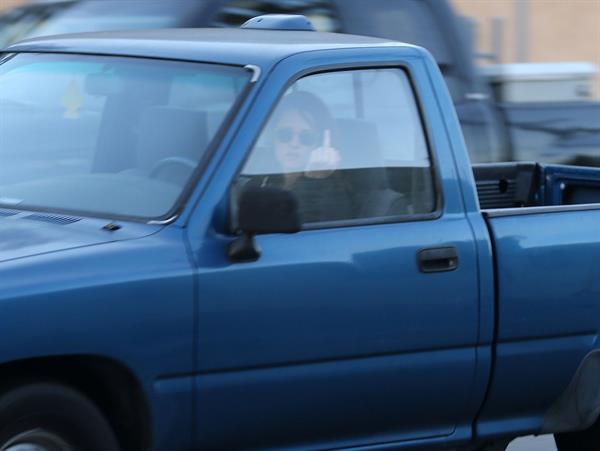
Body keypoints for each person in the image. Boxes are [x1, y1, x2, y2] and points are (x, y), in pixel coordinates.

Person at [247, 90, 354, 224]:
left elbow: (306, 234)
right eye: (285, 134)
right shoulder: (258, 181)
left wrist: (315, 179)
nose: (294, 143)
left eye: (306, 137)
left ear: (319, 143)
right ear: (273, 137)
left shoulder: (333, 191)